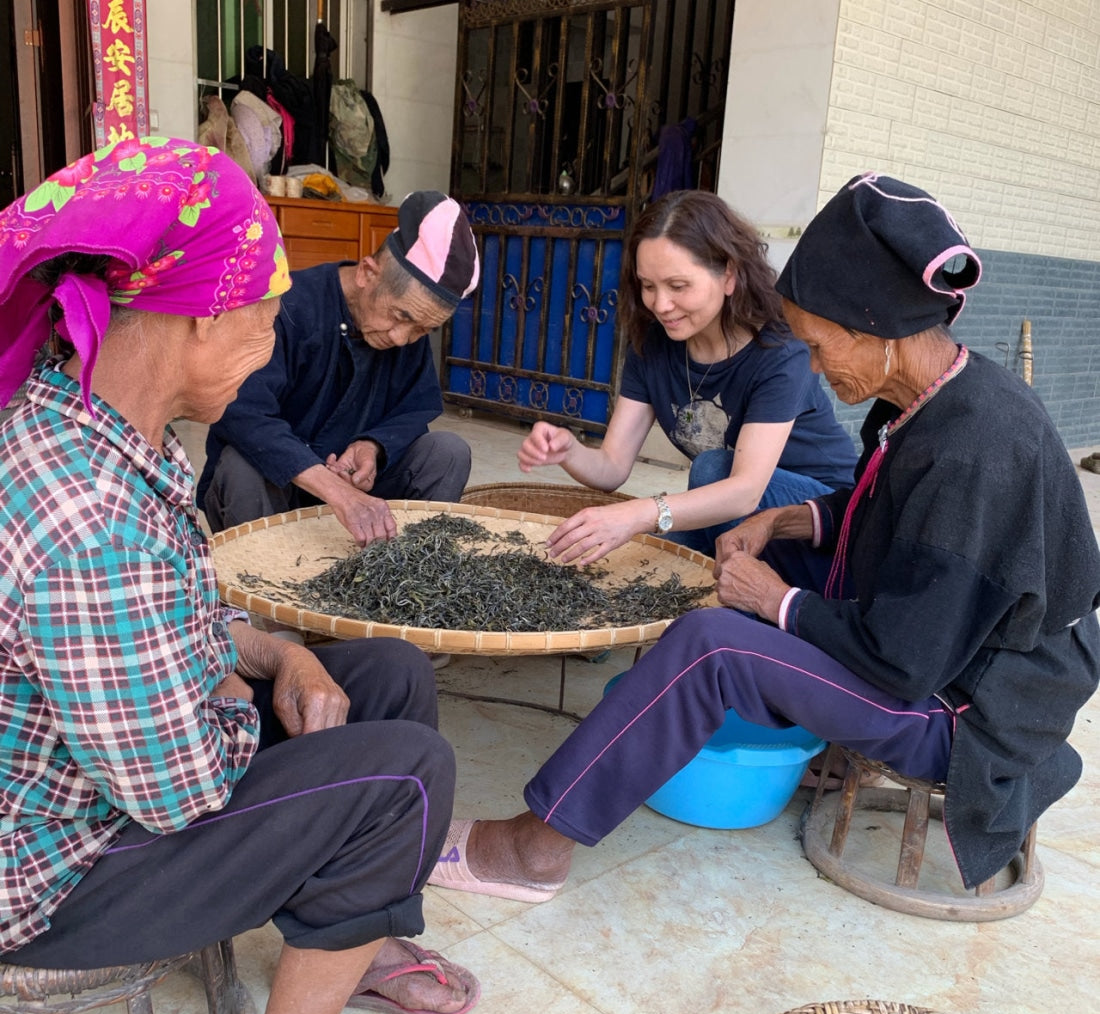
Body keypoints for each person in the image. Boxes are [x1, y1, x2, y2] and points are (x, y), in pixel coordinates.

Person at [427, 172, 1100, 906]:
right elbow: (886, 514)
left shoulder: (974, 449)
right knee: (732, 572)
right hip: (950, 664)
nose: (810, 364)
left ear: (873, 331)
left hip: (969, 716)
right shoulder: (937, 399)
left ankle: (531, 852)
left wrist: (778, 602)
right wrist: (788, 518)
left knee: (713, 645)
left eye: (817, 345)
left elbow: (903, 660)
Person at [0, 138, 475, 1014]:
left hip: (110, 773)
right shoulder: (91, 526)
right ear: (200, 320)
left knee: (386, 672)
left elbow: (174, 619)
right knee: (406, 776)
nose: (268, 345)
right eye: (261, 324)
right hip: (64, 869)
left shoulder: (105, 424)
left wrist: (278, 654)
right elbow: (174, 792)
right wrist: (231, 682)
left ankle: (360, 926)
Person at [516, 189, 856, 564]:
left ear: (729, 276)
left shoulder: (780, 352)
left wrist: (639, 512)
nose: (661, 305)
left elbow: (744, 492)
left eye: (678, 286)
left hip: (823, 517)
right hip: (733, 512)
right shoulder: (653, 344)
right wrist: (569, 450)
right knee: (640, 558)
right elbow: (612, 467)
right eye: (648, 286)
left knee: (709, 472)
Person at [199, 189, 479, 548]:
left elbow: (415, 408)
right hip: (280, 487)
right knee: (241, 467)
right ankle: (260, 573)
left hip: (360, 489)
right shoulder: (286, 306)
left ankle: (409, 567)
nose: (402, 338)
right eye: (399, 316)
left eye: (423, 330)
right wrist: (333, 488)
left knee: (447, 452)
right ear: (367, 272)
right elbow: (241, 412)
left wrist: (373, 446)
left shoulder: (408, 331)